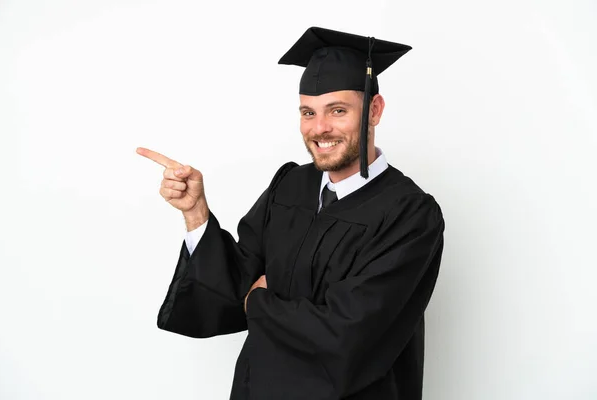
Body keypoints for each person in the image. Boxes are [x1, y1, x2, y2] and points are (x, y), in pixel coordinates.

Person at [137, 26, 445, 400]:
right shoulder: (290, 186)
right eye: (307, 112)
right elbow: (237, 280)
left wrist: (259, 303)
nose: (320, 128)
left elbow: (350, 333)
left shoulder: (409, 213)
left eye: (338, 110)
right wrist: (196, 213)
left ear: (374, 110)